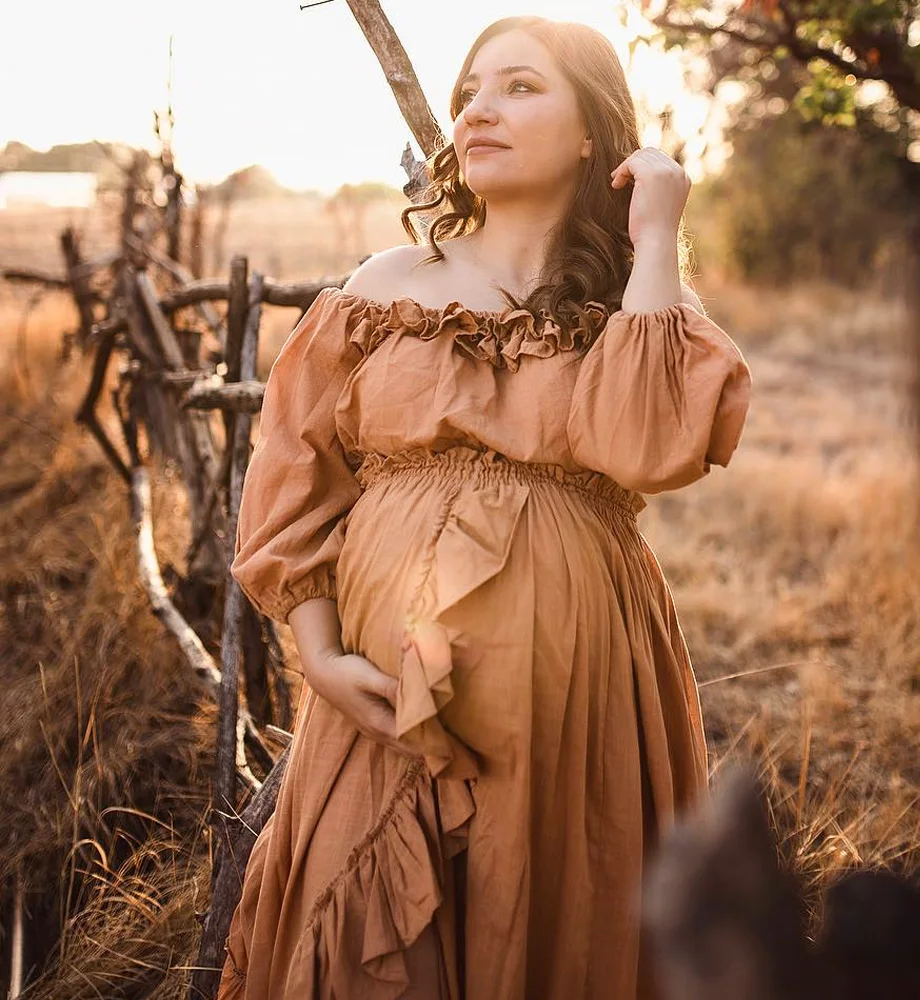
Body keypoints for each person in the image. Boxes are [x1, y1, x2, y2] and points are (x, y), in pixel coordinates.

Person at [218, 14, 752, 1000]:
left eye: (518, 86)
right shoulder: (383, 286)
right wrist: (319, 653)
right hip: (381, 688)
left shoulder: (637, 299)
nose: (478, 108)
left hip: (572, 692)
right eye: (470, 89)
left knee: (547, 924)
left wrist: (657, 233)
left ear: (594, 129)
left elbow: (643, 443)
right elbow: (295, 479)